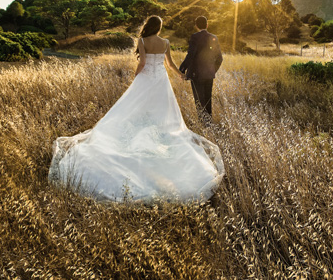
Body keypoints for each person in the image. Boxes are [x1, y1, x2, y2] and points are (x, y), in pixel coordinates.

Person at [48, 15, 224, 203]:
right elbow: (170, 64)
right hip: (161, 81)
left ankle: (141, 128)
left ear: (149, 26)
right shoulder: (165, 42)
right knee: (162, 109)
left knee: (137, 105)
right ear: (159, 27)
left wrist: (136, 78)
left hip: (146, 78)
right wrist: (180, 74)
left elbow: (141, 63)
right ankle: (160, 132)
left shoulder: (142, 40)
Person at [179, 16, 223, 124]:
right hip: (209, 75)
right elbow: (220, 58)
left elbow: (191, 55)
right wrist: (213, 70)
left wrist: (182, 69)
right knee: (208, 100)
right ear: (207, 25)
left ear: (196, 26)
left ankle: (203, 125)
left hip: (196, 75)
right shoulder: (214, 37)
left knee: (199, 101)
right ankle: (209, 124)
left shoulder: (195, 37)